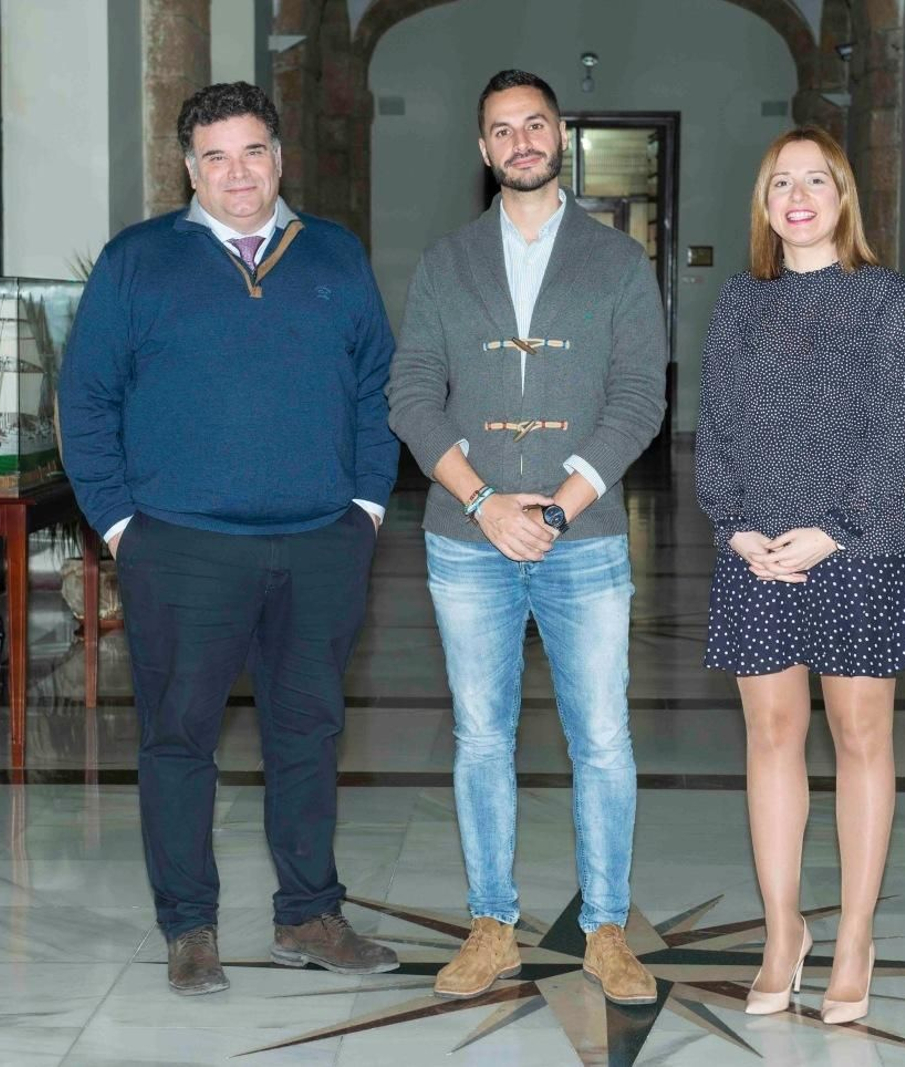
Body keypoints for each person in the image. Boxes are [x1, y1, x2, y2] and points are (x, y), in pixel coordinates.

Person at [59, 81, 400, 996]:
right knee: (179, 740)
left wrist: (365, 507)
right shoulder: (137, 261)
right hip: (182, 547)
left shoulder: (333, 253)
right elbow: (85, 399)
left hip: (321, 542)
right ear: (189, 168)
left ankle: (309, 913)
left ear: (280, 157)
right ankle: (189, 927)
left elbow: (378, 388)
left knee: (308, 731)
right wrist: (124, 525)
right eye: (215, 156)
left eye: (252, 152)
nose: (237, 172)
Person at [387, 69, 667, 1006]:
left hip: (580, 539)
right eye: (501, 130)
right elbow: (412, 395)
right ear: (482, 150)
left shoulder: (619, 263)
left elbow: (640, 398)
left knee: (603, 739)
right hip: (467, 539)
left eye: (535, 124)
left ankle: (610, 930)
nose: (520, 141)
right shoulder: (445, 263)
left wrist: (558, 502)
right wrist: (484, 503)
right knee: (480, 738)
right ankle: (492, 924)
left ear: (561, 137)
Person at [694, 126, 905, 1022]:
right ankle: (782, 928)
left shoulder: (883, 300)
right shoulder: (738, 304)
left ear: (841, 195)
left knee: (862, 735)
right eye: (779, 183)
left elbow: (892, 430)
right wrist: (735, 524)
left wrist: (833, 529)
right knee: (771, 734)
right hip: (757, 553)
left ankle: (857, 933)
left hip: (858, 549)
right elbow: (710, 423)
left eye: (814, 180)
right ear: (764, 206)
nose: (796, 196)